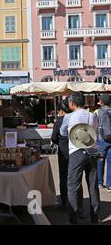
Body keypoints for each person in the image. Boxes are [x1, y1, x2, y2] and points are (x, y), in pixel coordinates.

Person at [60, 92, 100, 224]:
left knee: (73, 186)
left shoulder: (69, 116)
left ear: (71, 103)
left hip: (76, 151)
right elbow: (95, 131)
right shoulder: (93, 115)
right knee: (93, 186)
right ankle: (95, 218)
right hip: (92, 151)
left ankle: (73, 219)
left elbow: (62, 131)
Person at [51, 99, 77, 208]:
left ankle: (64, 201)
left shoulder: (59, 121)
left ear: (61, 110)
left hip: (63, 151)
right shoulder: (76, 118)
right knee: (75, 176)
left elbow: (53, 138)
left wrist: (60, 141)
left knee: (63, 176)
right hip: (75, 150)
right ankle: (75, 202)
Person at [95, 94, 111, 192]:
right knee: (110, 162)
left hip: (101, 140)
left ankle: (100, 183)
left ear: (102, 101)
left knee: (100, 161)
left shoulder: (98, 111)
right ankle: (110, 185)